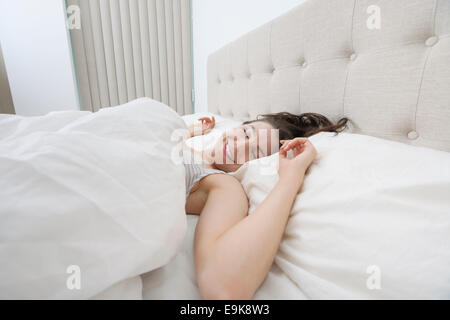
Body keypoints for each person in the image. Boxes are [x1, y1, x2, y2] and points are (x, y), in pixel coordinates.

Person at [183, 112, 349, 300]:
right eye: (246, 133)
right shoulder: (189, 144)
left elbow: (222, 288)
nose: (239, 146)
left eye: (255, 154)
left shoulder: (224, 187)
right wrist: (190, 132)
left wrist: (291, 177)